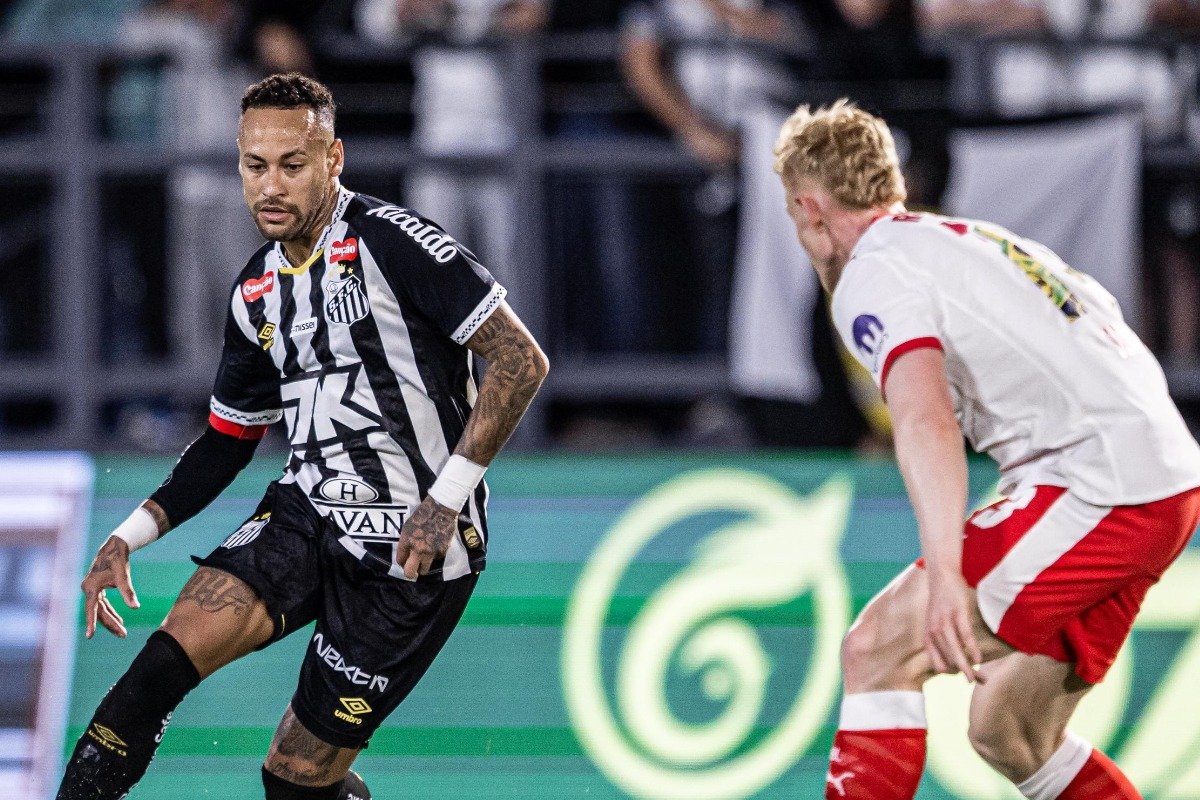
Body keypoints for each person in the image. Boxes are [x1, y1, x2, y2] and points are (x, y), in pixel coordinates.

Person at [57, 72, 549, 800]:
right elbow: (228, 442)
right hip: (306, 516)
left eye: (293, 164)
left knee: (292, 780)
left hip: (411, 556)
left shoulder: (395, 243)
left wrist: (445, 499)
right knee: (149, 678)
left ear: (334, 159)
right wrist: (128, 536)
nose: (271, 186)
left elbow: (519, 359)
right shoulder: (255, 289)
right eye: (255, 166)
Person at [773, 100, 1200, 800]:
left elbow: (925, 420)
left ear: (810, 209)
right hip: (1164, 481)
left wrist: (945, 571)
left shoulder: (872, 273)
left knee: (877, 647)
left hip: (1099, 487)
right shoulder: (971, 241)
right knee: (1010, 729)